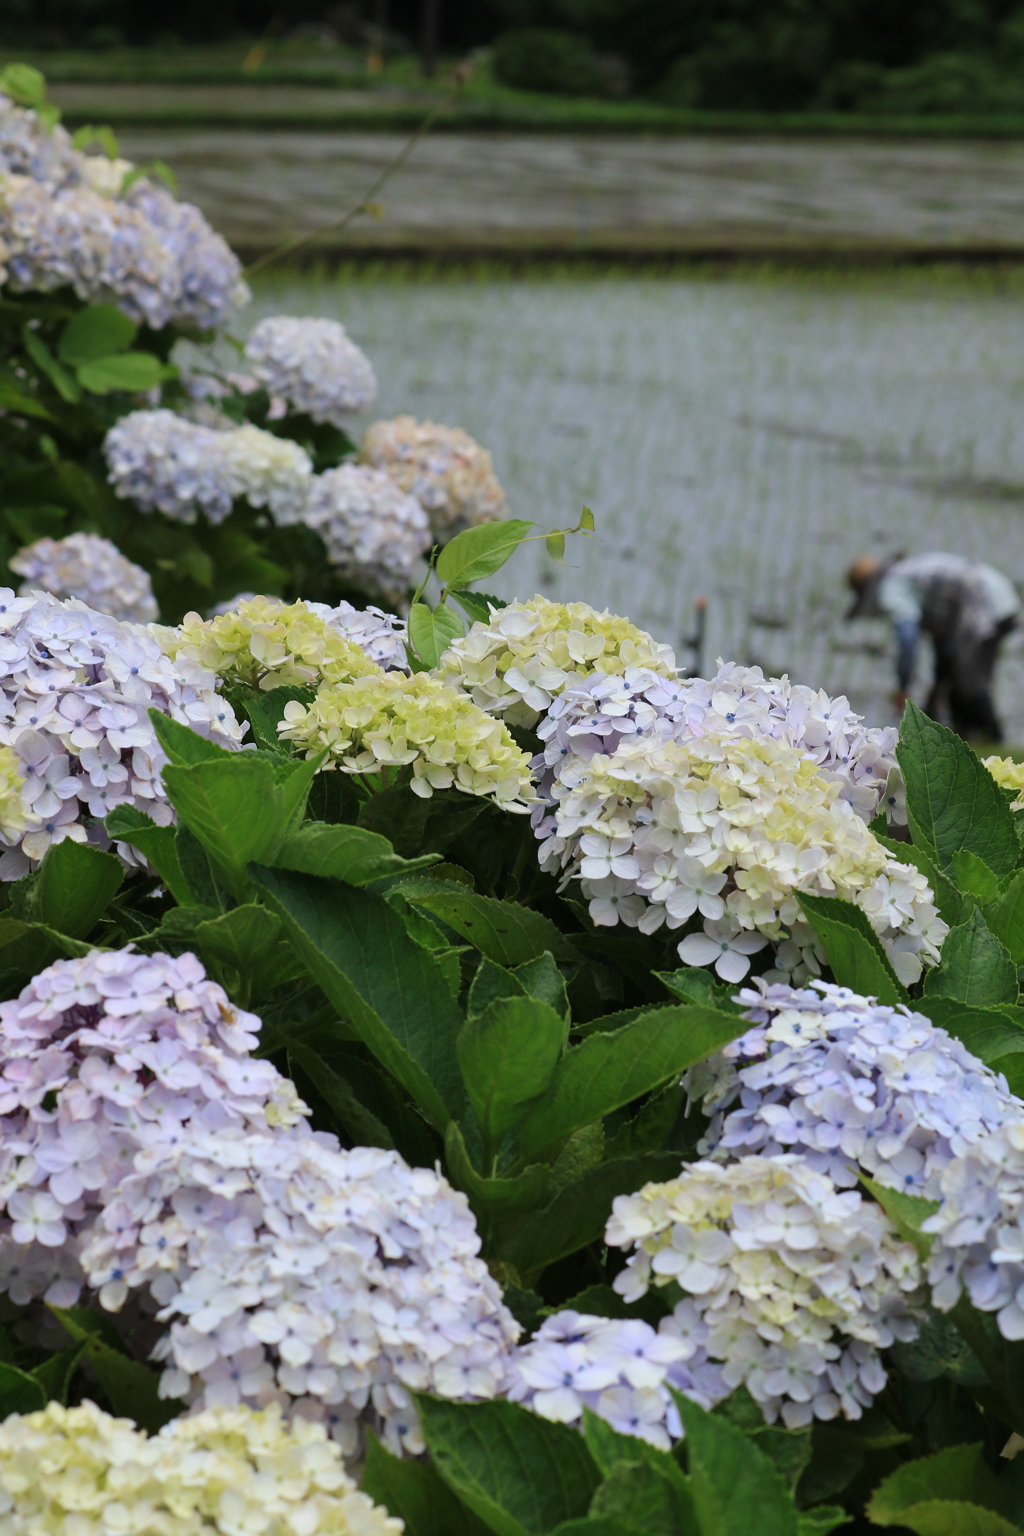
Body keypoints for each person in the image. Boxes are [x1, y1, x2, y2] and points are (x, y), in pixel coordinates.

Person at [846, 552, 1020, 741]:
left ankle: (995, 740)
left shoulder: (891, 586)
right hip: (1000, 595)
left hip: (983, 603)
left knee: (970, 686)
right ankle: (970, 742)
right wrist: (937, 684)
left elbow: (907, 637)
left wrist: (903, 686)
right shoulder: (907, 574)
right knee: (960, 682)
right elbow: (943, 642)